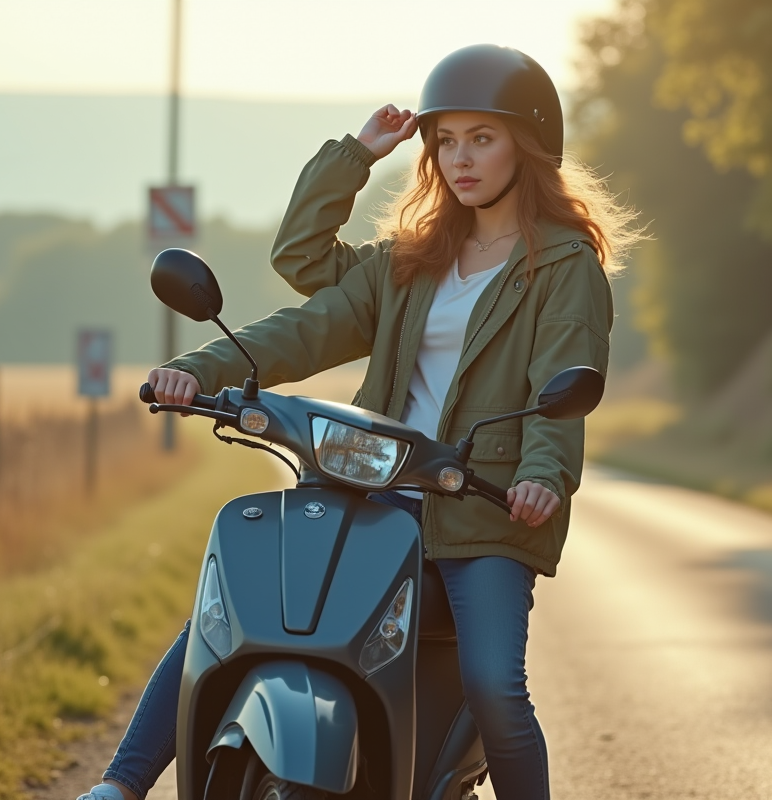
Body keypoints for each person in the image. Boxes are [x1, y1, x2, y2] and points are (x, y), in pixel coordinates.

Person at [78, 44, 641, 800]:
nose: (461, 158)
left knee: (496, 687)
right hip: (375, 503)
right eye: (446, 140)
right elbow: (304, 289)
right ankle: (118, 786)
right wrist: (201, 370)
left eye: (483, 137)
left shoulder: (564, 265)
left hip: (484, 511)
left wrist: (542, 476)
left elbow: (561, 383)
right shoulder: (413, 259)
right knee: (236, 613)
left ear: (527, 145)